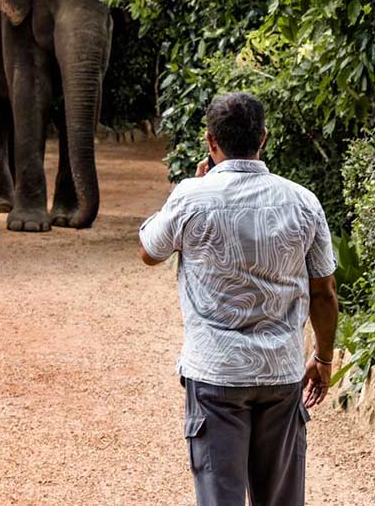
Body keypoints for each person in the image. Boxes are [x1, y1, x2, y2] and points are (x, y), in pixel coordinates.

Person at [138, 92, 338, 506]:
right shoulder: (303, 202)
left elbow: (150, 252)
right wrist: (323, 359)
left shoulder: (193, 196)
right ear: (263, 138)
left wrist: (191, 188)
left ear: (211, 142)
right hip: (281, 374)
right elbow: (324, 292)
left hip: (215, 374)